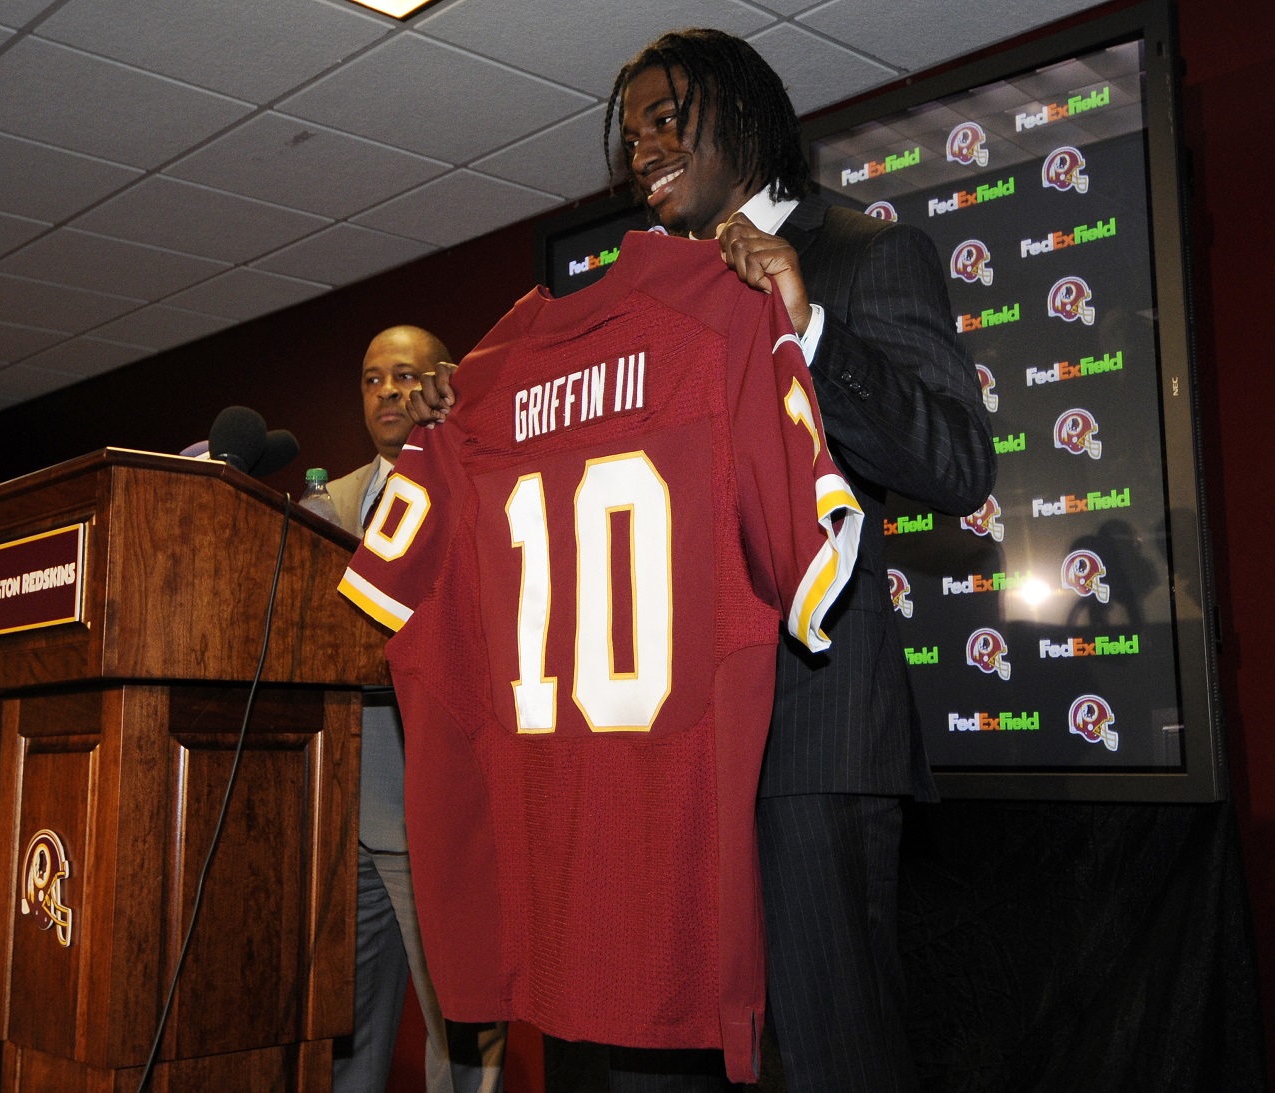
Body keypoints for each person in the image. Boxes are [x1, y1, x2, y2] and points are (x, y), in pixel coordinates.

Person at [409, 30, 996, 1093]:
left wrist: (808, 325)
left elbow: (956, 463)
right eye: (631, 133)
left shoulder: (864, 253)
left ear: (751, 118)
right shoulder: (643, 305)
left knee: (829, 1053)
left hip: (811, 745)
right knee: (659, 1047)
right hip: (666, 755)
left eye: (669, 118)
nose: (645, 148)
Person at [329, 325, 508, 1093]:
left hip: (439, 807)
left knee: (460, 1027)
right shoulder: (325, 503)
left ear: (441, 380)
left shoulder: (477, 480)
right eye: (372, 380)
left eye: (405, 376)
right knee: (348, 1028)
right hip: (342, 811)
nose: (388, 393)